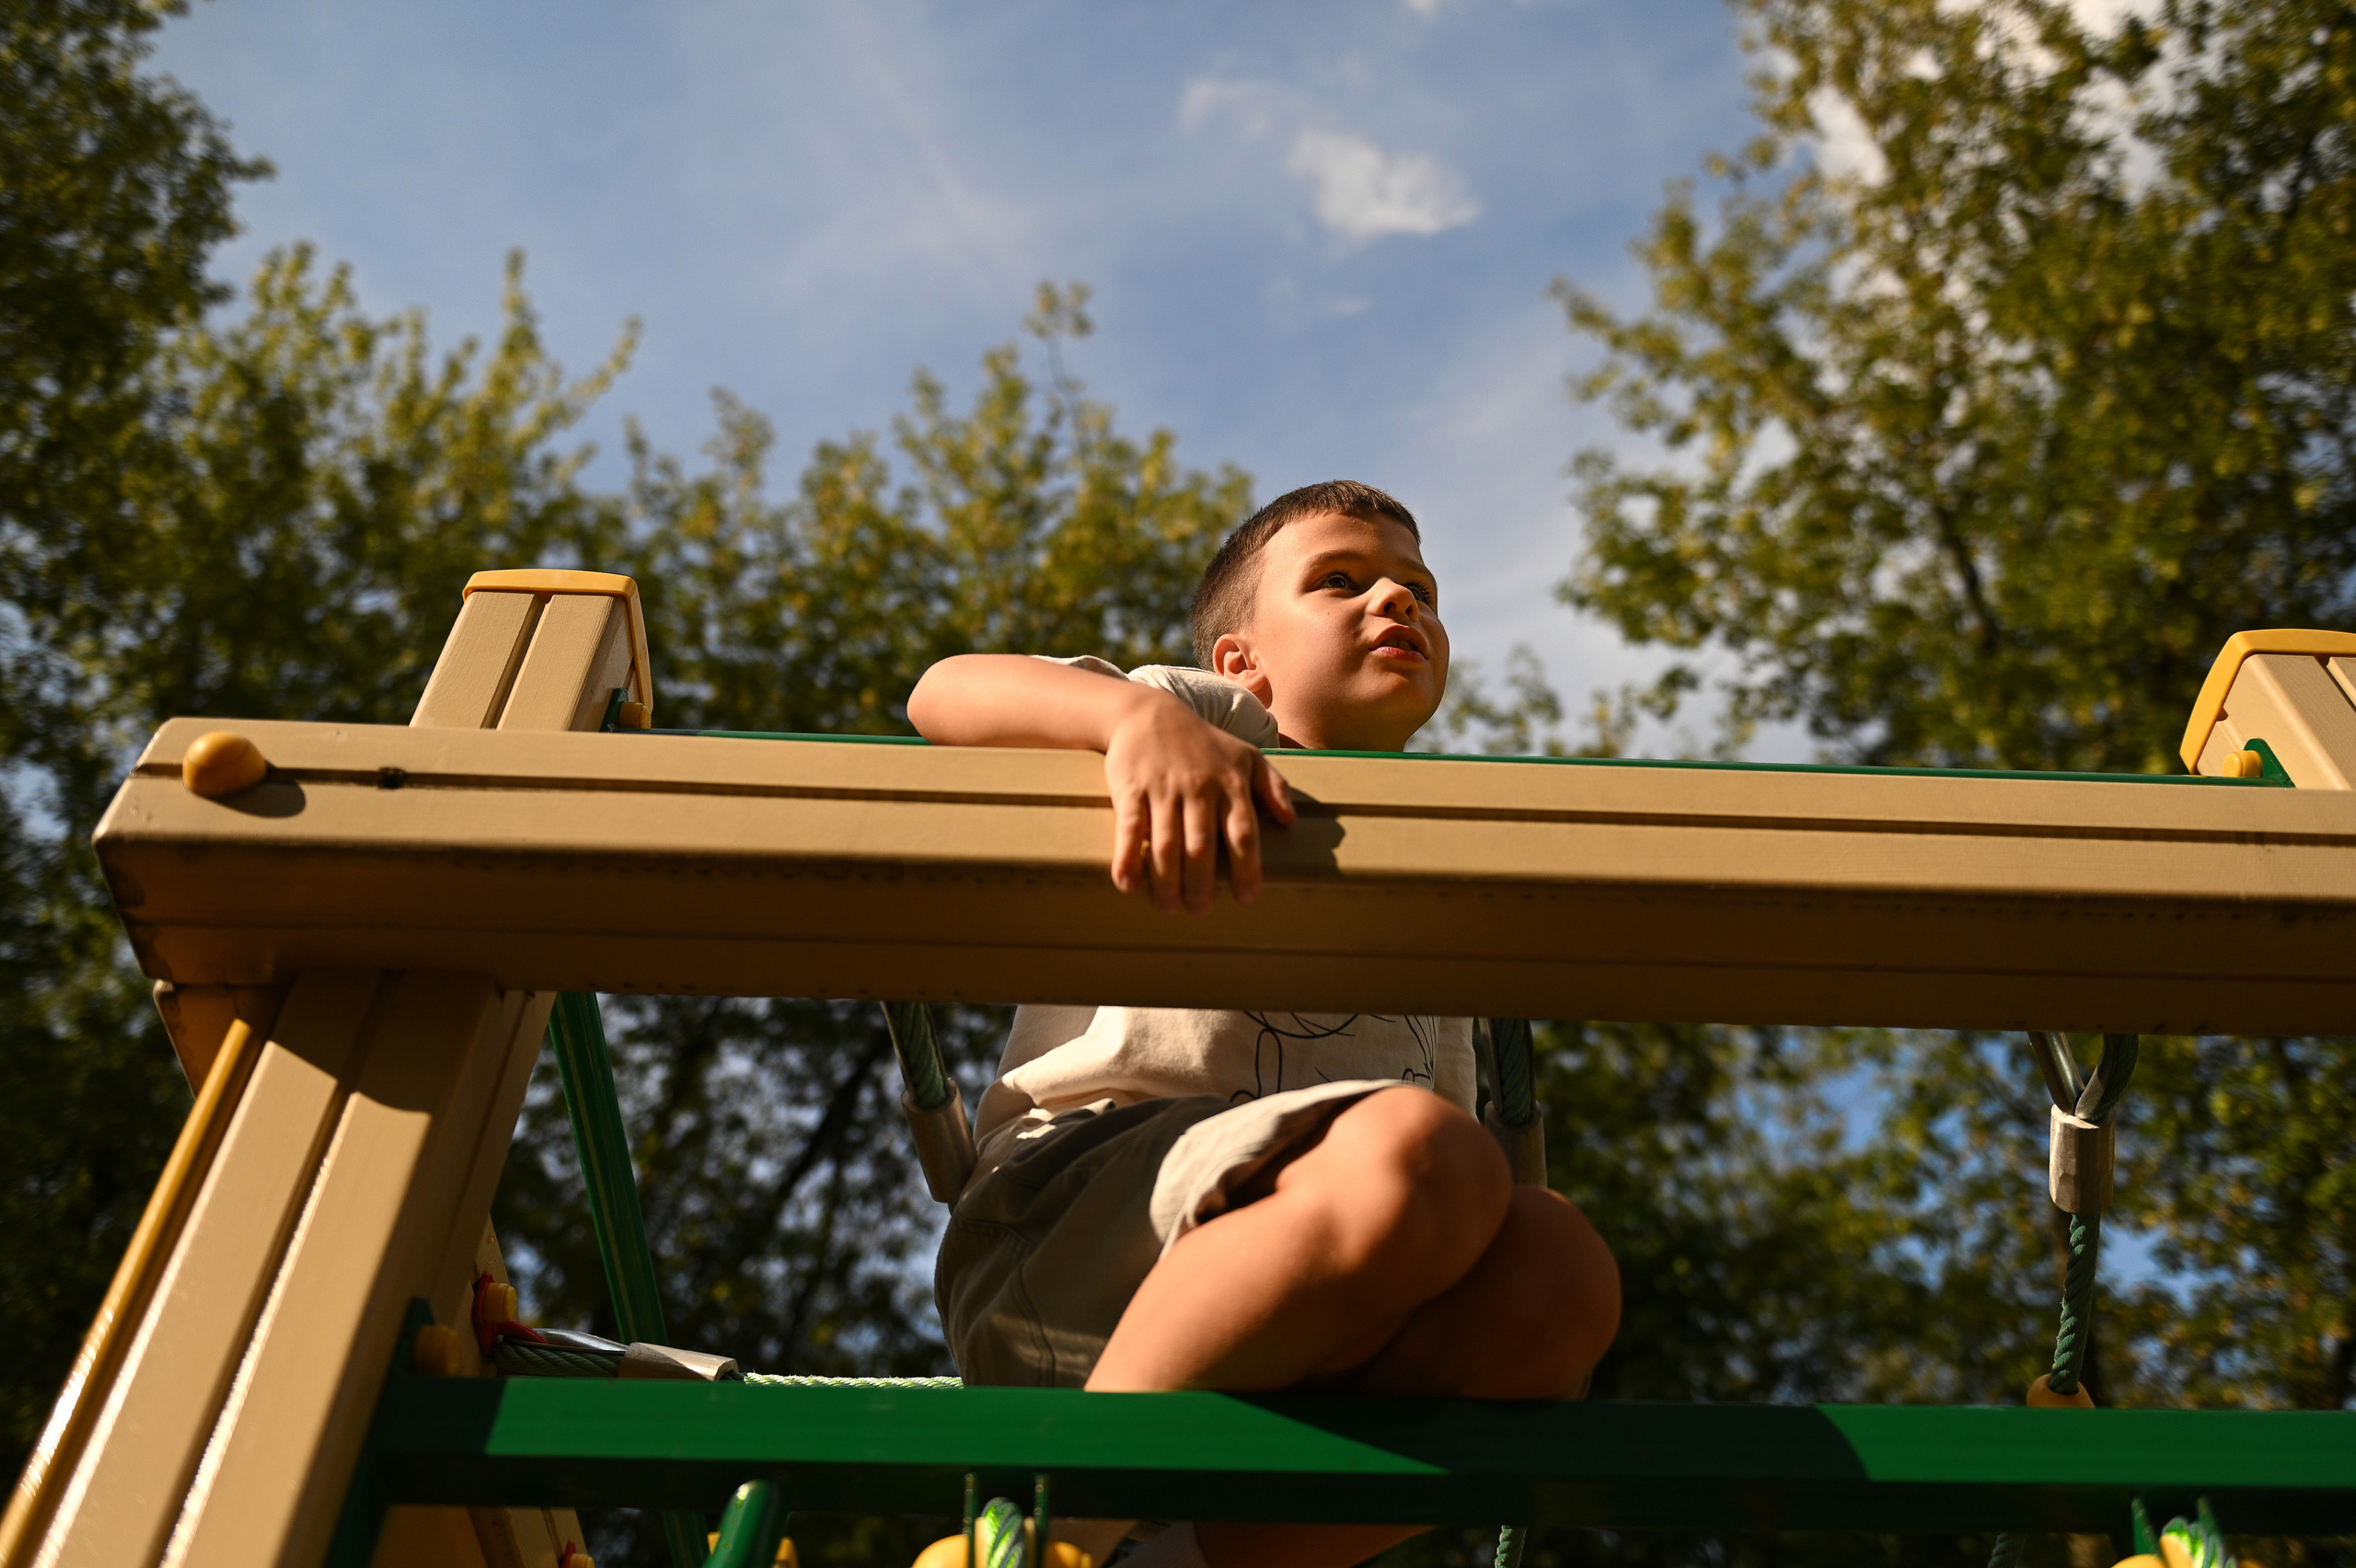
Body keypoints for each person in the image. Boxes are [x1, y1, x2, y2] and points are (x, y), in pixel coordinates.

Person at [907, 481, 1622, 1568]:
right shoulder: (1205, 723)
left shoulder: (1438, 847)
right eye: (1340, 579)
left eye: (1420, 590)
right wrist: (1131, 723)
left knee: (1558, 1266)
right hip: (1076, 1238)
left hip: (1310, 1314)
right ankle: (1050, 1536)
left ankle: (1179, 1562)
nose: (1397, 601)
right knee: (1427, 1151)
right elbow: (943, 694)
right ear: (1241, 660)